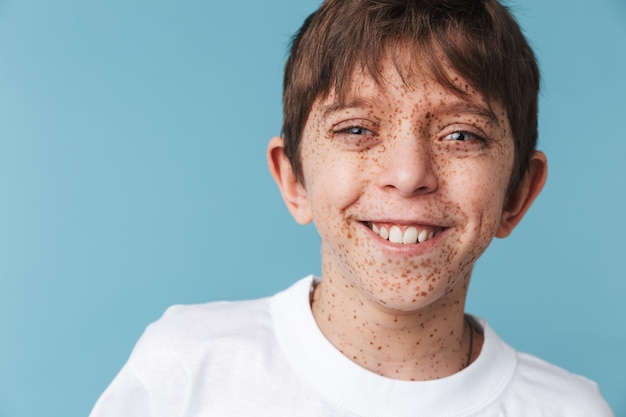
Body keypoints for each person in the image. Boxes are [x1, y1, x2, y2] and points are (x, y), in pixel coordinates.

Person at [89, 0, 614, 415]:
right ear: (293, 178)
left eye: (461, 134)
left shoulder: (569, 410)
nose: (408, 175)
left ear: (517, 194)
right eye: (357, 129)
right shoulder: (187, 367)